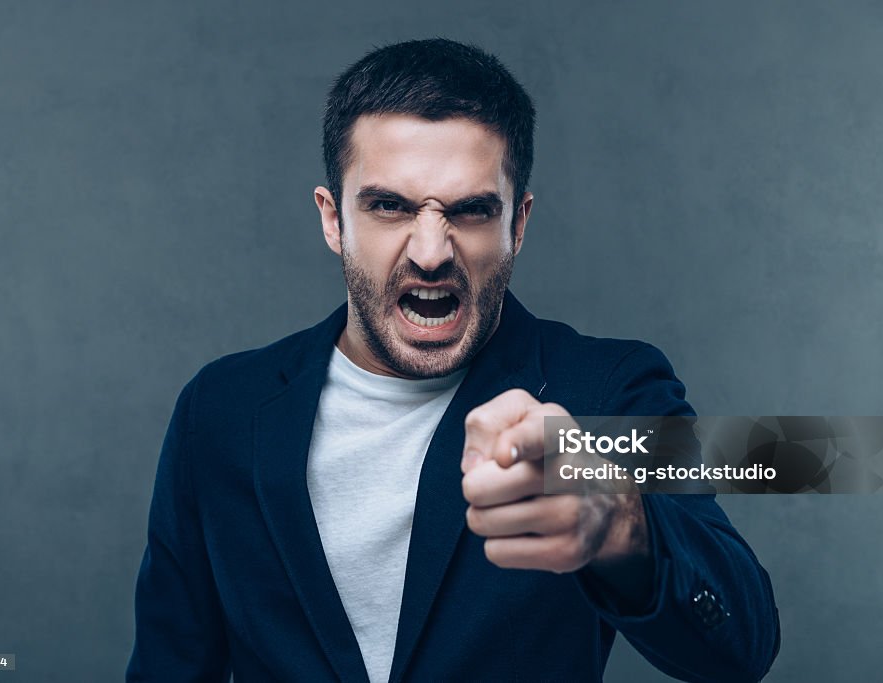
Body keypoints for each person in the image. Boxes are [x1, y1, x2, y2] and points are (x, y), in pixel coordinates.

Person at [127, 38, 780, 682]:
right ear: (333, 220)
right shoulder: (220, 410)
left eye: (470, 210)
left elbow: (742, 644)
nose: (432, 251)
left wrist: (623, 527)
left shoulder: (606, 392)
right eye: (389, 206)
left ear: (516, 226)